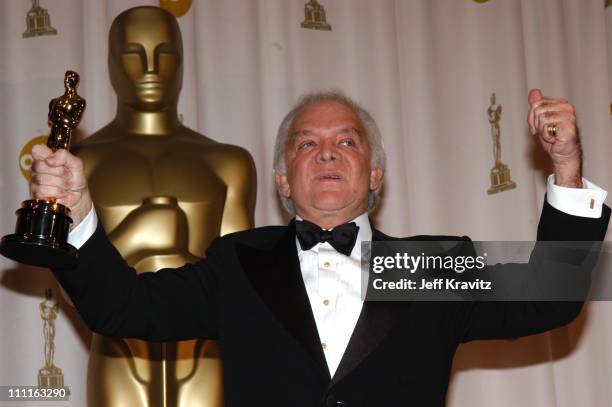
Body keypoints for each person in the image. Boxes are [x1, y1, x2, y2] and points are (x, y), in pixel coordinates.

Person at [30, 89, 609, 406]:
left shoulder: (429, 266)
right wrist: (78, 214)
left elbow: (550, 296)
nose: (327, 153)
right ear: (283, 178)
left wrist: (565, 170)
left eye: (346, 142)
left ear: (375, 173)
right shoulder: (240, 262)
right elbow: (123, 308)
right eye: (308, 144)